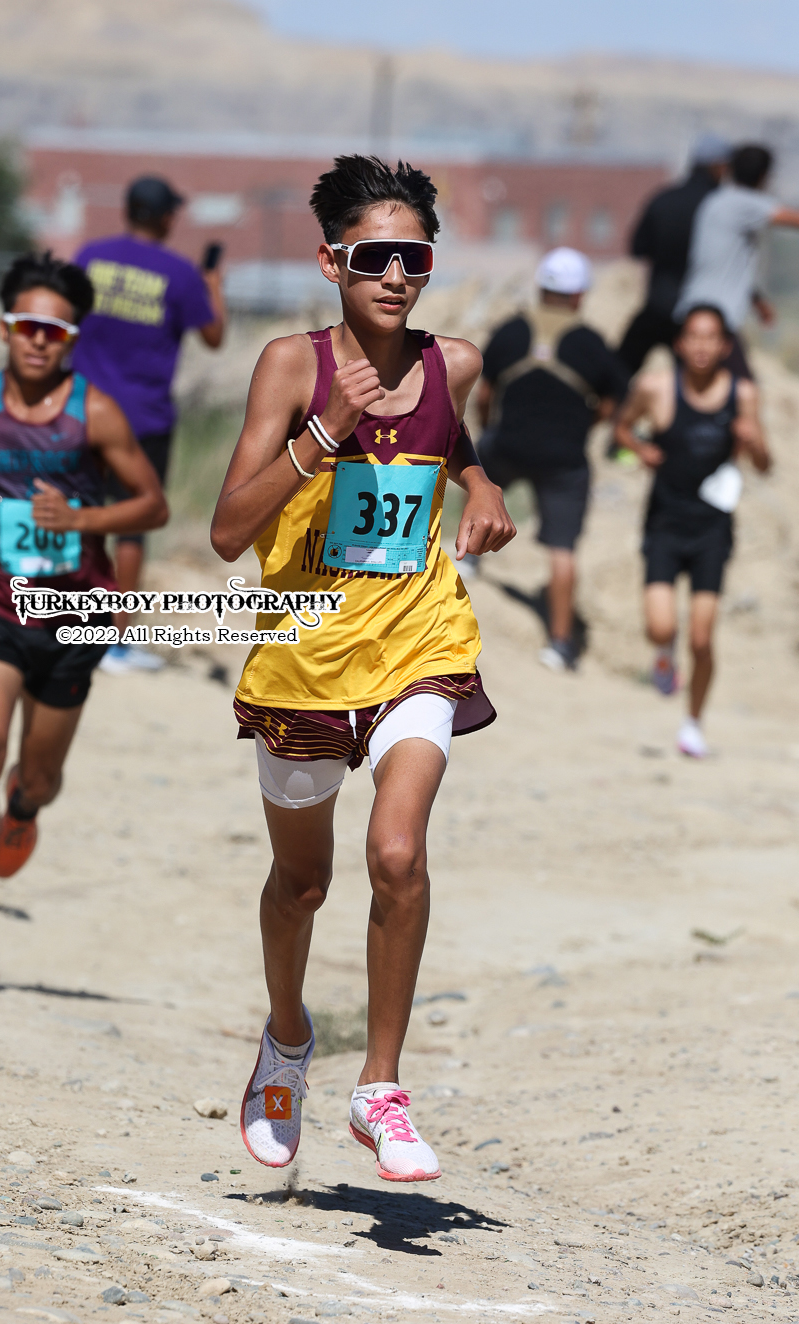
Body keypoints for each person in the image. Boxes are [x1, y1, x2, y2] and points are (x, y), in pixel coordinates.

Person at [210, 155, 514, 1183]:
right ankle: (287, 1038)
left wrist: (481, 484)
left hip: (418, 643)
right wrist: (325, 433)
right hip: (302, 659)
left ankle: (379, 1086)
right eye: (372, 256)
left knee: (397, 857)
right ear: (331, 261)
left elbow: (447, 433)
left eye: (413, 256)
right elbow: (223, 531)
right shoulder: (290, 368)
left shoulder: (454, 360)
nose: (393, 273)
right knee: (302, 884)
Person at [0, 252, 168, 979]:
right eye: (26, 325)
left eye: (53, 330)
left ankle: (22, 809)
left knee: (36, 774)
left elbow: (152, 504)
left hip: (72, 613)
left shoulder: (98, 414)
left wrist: (83, 518)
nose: (37, 340)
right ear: (5, 328)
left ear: (72, 339)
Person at [72, 174, 225, 673]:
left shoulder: (91, 257)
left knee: (76, 516)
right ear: (164, 217)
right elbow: (214, 337)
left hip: (80, 408)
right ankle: (113, 644)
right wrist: (214, 288)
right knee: (133, 526)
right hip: (144, 417)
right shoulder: (179, 274)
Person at [613, 304, 769, 758]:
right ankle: (665, 656)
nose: (702, 346)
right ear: (680, 344)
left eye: (712, 338)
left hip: (712, 530)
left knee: (703, 639)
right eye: (693, 337)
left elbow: (765, 464)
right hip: (664, 522)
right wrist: (640, 448)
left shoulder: (743, 394)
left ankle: (693, 724)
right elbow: (622, 429)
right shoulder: (656, 386)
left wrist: (753, 439)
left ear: (725, 346)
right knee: (660, 626)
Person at [475, 247, 627, 671]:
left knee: (480, 482)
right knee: (562, 550)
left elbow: (485, 393)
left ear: (541, 288)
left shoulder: (509, 330)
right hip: (565, 459)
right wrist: (588, 424)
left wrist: (490, 430)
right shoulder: (593, 343)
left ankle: (466, 560)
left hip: (509, 446)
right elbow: (616, 399)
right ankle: (561, 644)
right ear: (580, 296)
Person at [674, 144, 799, 378]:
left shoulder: (719, 202)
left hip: (701, 309)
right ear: (764, 176)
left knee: (708, 388)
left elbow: (726, 263)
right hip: (713, 317)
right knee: (739, 392)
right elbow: (791, 218)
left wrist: (756, 300)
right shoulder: (742, 202)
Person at [618, 132, 729, 377]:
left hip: (657, 304)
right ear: (719, 167)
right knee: (698, 387)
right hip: (698, 315)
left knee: (620, 373)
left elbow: (637, 248)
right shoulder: (721, 207)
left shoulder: (663, 199)